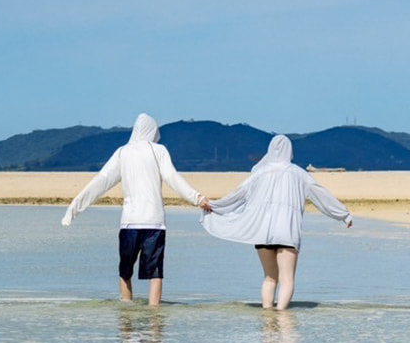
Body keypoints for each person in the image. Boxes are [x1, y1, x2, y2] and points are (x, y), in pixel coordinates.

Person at [61, 114, 209, 306]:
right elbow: (174, 179)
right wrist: (197, 198)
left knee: (125, 271)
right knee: (156, 273)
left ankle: (126, 320)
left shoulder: (123, 152)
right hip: (155, 223)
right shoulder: (158, 151)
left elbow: (100, 181)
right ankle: (155, 322)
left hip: (129, 223)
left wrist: (74, 209)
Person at [202, 134, 352, 310]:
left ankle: (267, 321)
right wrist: (343, 214)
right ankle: (281, 317)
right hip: (287, 232)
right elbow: (320, 195)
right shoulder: (298, 173)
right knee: (287, 279)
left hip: (262, 232)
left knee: (269, 278)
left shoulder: (259, 173)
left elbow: (237, 195)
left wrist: (213, 206)